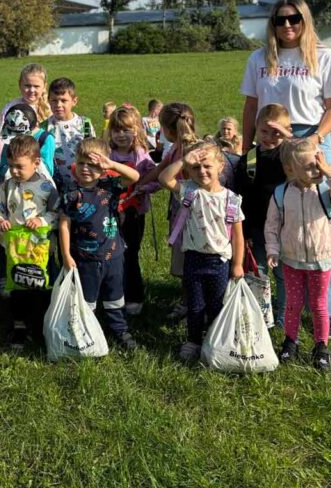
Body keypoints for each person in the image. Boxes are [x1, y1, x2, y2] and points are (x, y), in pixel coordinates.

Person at [240, 0, 331, 338]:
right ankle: (281, 301)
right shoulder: (260, 58)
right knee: (276, 215)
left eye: (294, 19)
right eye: (280, 20)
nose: (287, 26)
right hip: (270, 142)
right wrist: (246, 149)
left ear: (304, 20)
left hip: (309, 138)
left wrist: (316, 137)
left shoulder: (323, 56)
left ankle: (330, 309)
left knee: (320, 219)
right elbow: (251, 105)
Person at [266, 140, 331, 371]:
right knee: (293, 304)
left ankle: (321, 346)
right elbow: (272, 225)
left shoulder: (328, 190)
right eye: (309, 167)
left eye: (319, 165)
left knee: (318, 304)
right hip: (291, 259)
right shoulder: (282, 193)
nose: (316, 171)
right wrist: (273, 250)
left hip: (320, 259)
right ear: (291, 169)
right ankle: (290, 341)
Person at [159, 139, 245, 364]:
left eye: (207, 166)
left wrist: (237, 264)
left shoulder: (232, 199)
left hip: (219, 262)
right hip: (193, 259)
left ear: (221, 166)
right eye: (196, 167)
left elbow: (238, 236)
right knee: (195, 304)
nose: (202, 171)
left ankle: (214, 340)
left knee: (217, 304)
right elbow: (164, 178)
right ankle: (193, 341)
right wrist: (183, 161)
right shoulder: (188, 190)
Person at [59, 138, 140, 351]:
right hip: (85, 258)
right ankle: (87, 329)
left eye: (93, 165)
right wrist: (66, 254)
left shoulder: (110, 186)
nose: (86, 169)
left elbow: (135, 176)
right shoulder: (71, 193)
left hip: (113, 255)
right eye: (83, 163)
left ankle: (120, 329)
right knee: (87, 299)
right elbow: (64, 225)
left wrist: (111, 165)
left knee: (115, 296)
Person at [0, 134, 61, 349]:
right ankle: (20, 327)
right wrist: (0, 219)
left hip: (40, 249)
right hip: (14, 250)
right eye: (11, 166)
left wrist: (41, 220)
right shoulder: (7, 186)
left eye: (20, 167)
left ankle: (44, 326)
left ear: (36, 163)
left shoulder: (47, 188)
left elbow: (57, 214)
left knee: (42, 287)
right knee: (18, 288)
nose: (14, 171)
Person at [140, 101, 198, 319]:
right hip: (186, 212)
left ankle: (189, 302)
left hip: (191, 215)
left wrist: (143, 185)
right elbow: (159, 171)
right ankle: (189, 299)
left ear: (167, 130)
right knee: (186, 258)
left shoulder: (188, 151)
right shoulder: (177, 148)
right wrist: (140, 186)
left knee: (188, 260)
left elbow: (163, 174)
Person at [233, 104, 291, 322]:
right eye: (264, 131)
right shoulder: (248, 159)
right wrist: (244, 232)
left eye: (277, 133)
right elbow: (240, 198)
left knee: (283, 276)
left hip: (283, 229)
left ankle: (285, 317)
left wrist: (287, 137)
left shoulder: (288, 156)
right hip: (256, 228)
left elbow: (306, 152)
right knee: (258, 274)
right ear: (256, 128)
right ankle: (259, 317)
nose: (269, 137)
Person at [104, 105, 155, 317]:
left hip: (134, 213)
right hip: (109, 213)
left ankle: (134, 295)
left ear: (136, 130)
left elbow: (156, 178)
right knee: (111, 252)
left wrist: (143, 188)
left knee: (131, 253)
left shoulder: (141, 155)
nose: (121, 135)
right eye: (117, 130)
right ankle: (111, 294)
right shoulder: (108, 153)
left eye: (127, 130)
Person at [41, 77, 95, 195]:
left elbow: (92, 151)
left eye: (63, 100)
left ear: (74, 101)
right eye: (54, 100)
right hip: (54, 184)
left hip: (82, 181)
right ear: (48, 101)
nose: (58, 105)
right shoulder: (44, 127)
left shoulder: (85, 123)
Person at [0, 102, 56, 180]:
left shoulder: (45, 139)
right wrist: (12, 171)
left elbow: (47, 170)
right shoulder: (9, 140)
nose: (14, 140)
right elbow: (2, 166)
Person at [0, 62, 50, 127]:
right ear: (20, 85)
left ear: (44, 86)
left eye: (36, 86)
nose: (32, 90)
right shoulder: (11, 108)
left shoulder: (50, 108)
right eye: (27, 86)